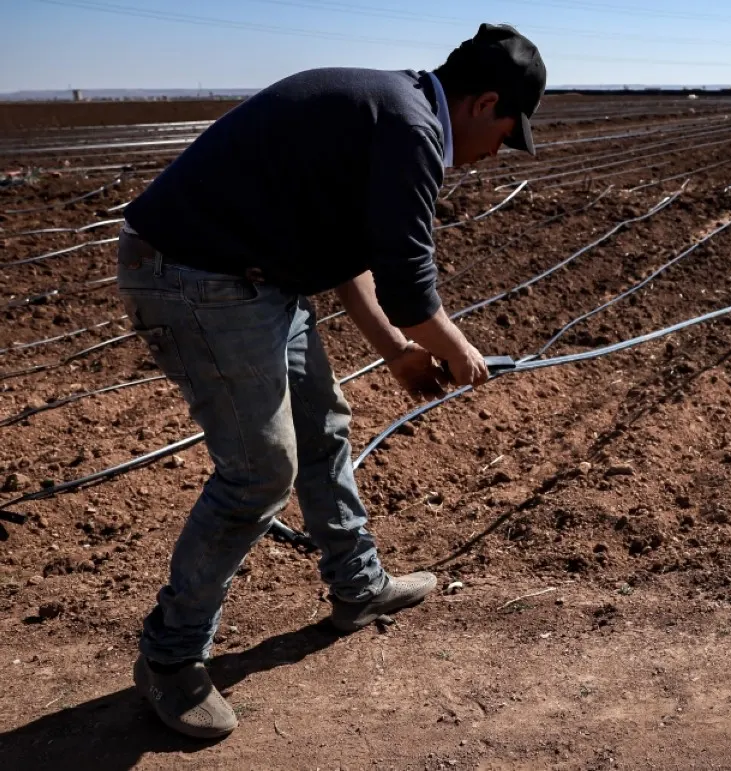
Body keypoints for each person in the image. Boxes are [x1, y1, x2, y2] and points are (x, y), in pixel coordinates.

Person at [116, 23, 546, 739]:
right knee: (260, 470)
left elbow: (348, 251)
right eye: (507, 132)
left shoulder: (387, 111)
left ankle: (358, 588)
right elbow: (411, 285)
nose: (497, 152)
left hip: (255, 280)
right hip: (193, 275)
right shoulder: (411, 128)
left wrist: (396, 351)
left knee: (323, 427)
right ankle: (169, 658)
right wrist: (462, 352)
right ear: (484, 103)